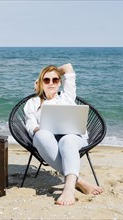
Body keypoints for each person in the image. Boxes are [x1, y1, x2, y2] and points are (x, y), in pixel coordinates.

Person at [23, 63, 103, 206]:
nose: (51, 83)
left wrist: (53, 72)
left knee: (67, 140)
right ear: (41, 83)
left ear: (60, 82)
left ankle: (68, 188)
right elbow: (31, 126)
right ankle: (78, 181)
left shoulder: (67, 96)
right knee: (41, 134)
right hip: (48, 142)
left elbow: (68, 67)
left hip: (75, 138)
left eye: (55, 80)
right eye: (46, 80)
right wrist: (40, 130)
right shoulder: (32, 103)